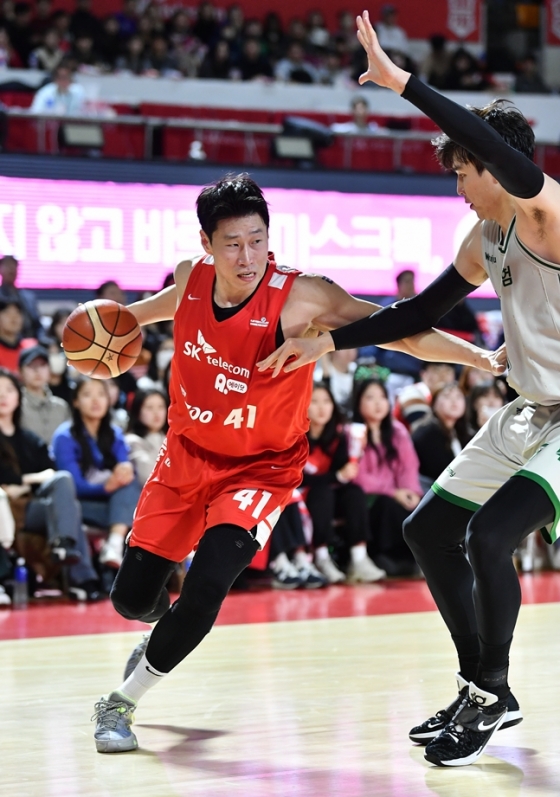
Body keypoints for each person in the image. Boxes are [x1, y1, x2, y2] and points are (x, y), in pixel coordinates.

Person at [90, 173, 504, 755]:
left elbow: (401, 331)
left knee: (208, 586)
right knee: (132, 600)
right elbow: (135, 317)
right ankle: (161, 629)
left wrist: (481, 358)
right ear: (206, 243)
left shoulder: (303, 297)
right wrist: (97, 331)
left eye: (258, 240)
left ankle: (120, 702)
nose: (248, 256)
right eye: (233, 244)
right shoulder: (190, 279)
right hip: (185, 458)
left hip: (259, 471)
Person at [260, 10, 560, 766]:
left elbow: (503, 155)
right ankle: (481, 685)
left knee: (491, 536)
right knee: (428, 530)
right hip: (530, 409)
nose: (456, 185)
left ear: (490, 164)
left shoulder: (547, 215)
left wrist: (402, 84)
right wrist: (328, 340)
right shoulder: (483, 238)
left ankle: (491, 691)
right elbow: (418, 314)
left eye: (461, 170)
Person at [0, 368, 102, 601]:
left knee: (64, 483)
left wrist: (22, 484)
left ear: (18, 396)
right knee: (69, 509)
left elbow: (51, 473)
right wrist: (31, 480)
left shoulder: (29, 439)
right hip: (9, 508)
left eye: (8, 390)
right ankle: (83, 579)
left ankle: (64, 546)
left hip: (33, 505)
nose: (3, 396)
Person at [51, 377, 142, 569]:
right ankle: (114, 545)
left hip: (113, 504)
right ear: (75, 401)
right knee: (132, 511)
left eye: (101, 394)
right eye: (87, 395)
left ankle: (114, 545)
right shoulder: (64, 436)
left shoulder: (114, 433)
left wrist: (124, 470)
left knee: (131, 483)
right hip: (79, 505)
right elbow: (72, 486)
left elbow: (124, 465)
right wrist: (105, 488)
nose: (95, 400)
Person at [302, 382, 385, 584]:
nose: (322, 408)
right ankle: (321, 557)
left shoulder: (340, 435)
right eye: (314, 401)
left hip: (329, 494)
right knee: (322, 492)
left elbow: (341, 474)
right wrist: (337, 477)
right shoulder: (295, 437)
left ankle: (359, 557)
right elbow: (298, 478)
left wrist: (350, 465)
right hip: (303, 496)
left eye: (326, 401)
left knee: (354, 492)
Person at [352, 378, 421, 576]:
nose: (378, 403)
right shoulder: (353, 433)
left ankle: (413, 558)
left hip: (398, 495)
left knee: (422, 504)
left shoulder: (398, 431)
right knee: (386, 504)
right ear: (358, 402)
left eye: (382, 397)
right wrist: (393, 492)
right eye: (370, 397)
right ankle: (385, 556)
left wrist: (410, 492)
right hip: (369, 498)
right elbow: (358, 476)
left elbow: (409, 466)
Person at [412, 382, 470, 492]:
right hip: (429, 490)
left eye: (458, 397)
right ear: (434, 403)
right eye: (447, 397)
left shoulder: (459, 431)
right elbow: (440, 472)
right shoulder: (428, 432)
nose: (454, 401)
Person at [19, 345, 71, 444]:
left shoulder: (61, 406)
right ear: (20, 371)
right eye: (31, 365)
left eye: (42, 365)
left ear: (49, 369)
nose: (37, 371)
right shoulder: (16, 406)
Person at [124, 388, 168, 486]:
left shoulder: (172, 438)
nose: (156, 412)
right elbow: (148, 476)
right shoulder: (132, 441)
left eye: (161, 407)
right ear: (137, 412)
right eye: (149, 407)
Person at [0, 255, 41, 340]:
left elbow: (37, 325)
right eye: (7, 265)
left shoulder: (28, 297)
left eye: (14, 266)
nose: (11, 269)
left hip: (29, 340)